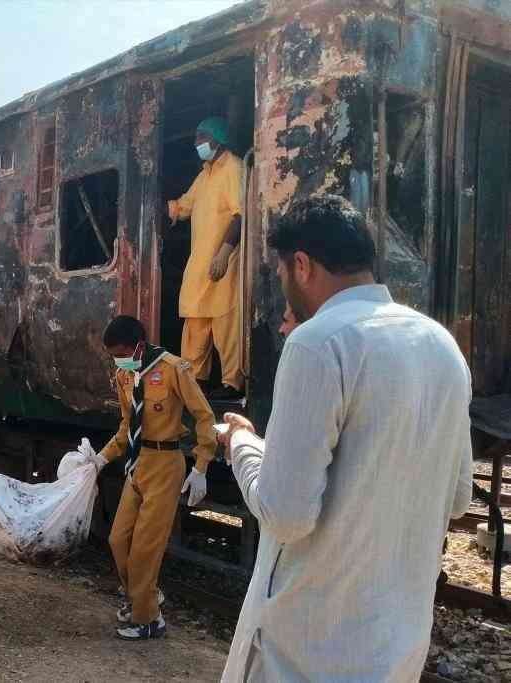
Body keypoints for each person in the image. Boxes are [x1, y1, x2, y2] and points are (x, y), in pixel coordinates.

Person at [217, 195, 474, 682]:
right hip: (394, 650)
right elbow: (457, 497)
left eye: (282, 274)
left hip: (307, 651)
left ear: (302, 264)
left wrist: (243, 447)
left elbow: (287, 514)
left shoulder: (318, 341)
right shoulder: (442, 345)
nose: (284, 286)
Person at [88, 315, 216, 640]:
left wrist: (201, 466)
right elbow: (126, 425)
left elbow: (204, 416)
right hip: (137, 462)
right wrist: (101, 458)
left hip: (166, 463)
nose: (117, 360)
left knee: (145, 548)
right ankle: (142, 596)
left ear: (138, 346)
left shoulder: (174, 368)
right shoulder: (125, 376)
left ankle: (147, 620)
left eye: (120, 353)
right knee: (118, 539)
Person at [167, 116, 244, 400]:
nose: (196, 142)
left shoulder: (234, 168)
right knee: (196, 324)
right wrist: (166, 207)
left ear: (217, 139)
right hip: (199, 263)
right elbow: (184, 206)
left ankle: (231, 383)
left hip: (223, 260)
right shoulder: (205, 173)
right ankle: (194, 381)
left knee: (225, 323)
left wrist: (224, 252)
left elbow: (240, 214)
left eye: (201, 137)